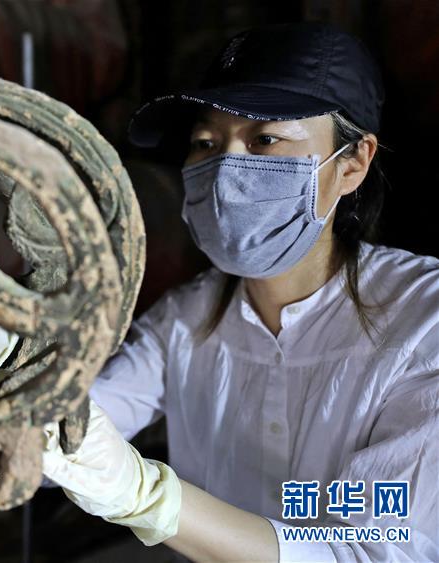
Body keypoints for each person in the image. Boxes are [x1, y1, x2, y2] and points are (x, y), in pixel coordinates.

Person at [41, 23, 439, 562]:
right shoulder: (185, 319)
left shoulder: (423, 322)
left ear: (352, 164)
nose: (225, 170)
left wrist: (147, 498)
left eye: (264, 139)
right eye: (205, 143)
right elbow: (62, 435)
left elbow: (369, 552)